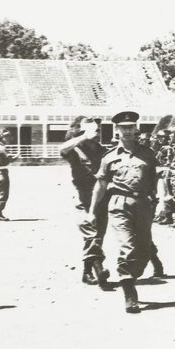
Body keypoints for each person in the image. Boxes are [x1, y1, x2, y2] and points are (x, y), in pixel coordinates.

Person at [88, 111, 160, 313]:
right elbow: (100, 185)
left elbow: (157, 178)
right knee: (127, 247)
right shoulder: (109, 157)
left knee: (144, 250)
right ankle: (130, 294)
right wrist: (92, 211)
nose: (127, 131)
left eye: (130, 127)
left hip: (143, 204)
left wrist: (162, 198)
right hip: (119, 204)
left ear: (136, 129)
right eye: (123, 128)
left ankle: (130, 276)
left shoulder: (148, 153)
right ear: (116, 130)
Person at [58, 117, 110, 285]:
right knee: (90, 232)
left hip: (101, 196)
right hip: (82, 197)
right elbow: (62, 148)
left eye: (99, 130)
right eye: (95, 130)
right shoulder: (76, 149)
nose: (98, 133)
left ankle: (87, 273)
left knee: (98, 235)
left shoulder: (103, 150)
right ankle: (99, 269)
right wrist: (84, 136)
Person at [0, 129, 14, 221]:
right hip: (2, 172)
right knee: (3, 193)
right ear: (2, 138)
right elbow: (10, 160)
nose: (9, 138)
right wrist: (16, 155)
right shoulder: (3, 148)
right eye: (7, 136)